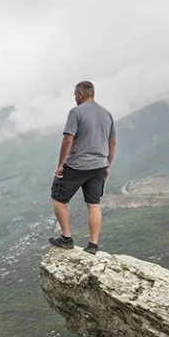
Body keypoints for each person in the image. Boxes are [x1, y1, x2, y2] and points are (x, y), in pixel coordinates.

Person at [49, 80, 116, 253]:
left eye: (75, 95)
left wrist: (61, 164)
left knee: (58, 198)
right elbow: (112, 141)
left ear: (80, 94)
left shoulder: (76, 112)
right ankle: (93, 244)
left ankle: (66, 239)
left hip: (78, 165)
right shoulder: (107, 114)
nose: (74, 99)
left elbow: (68, 139)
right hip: (99, 165)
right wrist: (108, 163)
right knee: (93, 203)